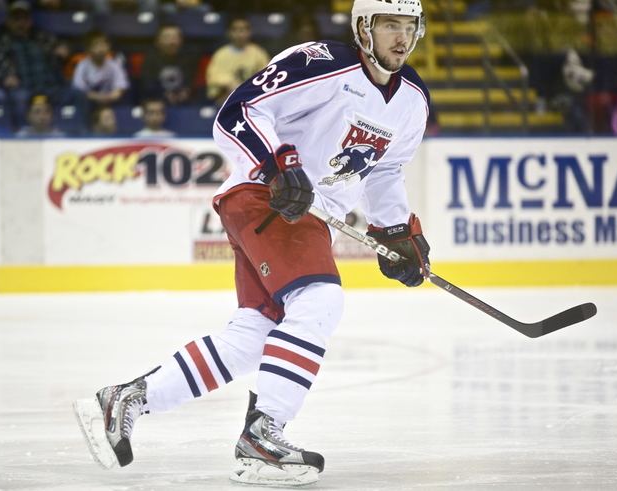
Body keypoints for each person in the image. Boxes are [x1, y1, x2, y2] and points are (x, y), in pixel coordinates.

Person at [74, 0, 431, 486]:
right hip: (265, 196)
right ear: (364, 28)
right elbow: (237, 110)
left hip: (307, 215)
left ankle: (131, 397)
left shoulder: (412, 98)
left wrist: (395, 233)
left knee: (255, 333)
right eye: (390, 25)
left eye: (409, 27)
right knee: (319, 300)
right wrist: (277, 164)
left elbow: (385, 169)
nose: (401, 38)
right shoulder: (322, 62)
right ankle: (263, 437)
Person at [205, 16, 269, 106]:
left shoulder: (258, 53)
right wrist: (230, 83)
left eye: (244, 29)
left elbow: (267, 75)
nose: (240, 34)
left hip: (253, 97)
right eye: (236, 30)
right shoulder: (221, 54)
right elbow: (213, 77)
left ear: (249, 32)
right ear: (229, 33)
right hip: (226, 97)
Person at [140, 25, 197, 105]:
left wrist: (186, 91)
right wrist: (163, 94)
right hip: (157, 100)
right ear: (158, 41)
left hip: (185, 101)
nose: (172, 42)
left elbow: (193, 81)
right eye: (167, 37)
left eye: (175, 37)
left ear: (181, 40)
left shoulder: (190, 58)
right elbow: (147, 85)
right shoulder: (150, 59)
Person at [72, 32, 129, 108]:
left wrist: (109, 97)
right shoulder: (82, 65)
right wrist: (100, 97)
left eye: (104, 44)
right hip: (88, 104)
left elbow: (120, 89)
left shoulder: (114, 65)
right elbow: (79, 91)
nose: (101, 48)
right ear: (88, 48)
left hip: (110, 104)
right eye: (96, 45)